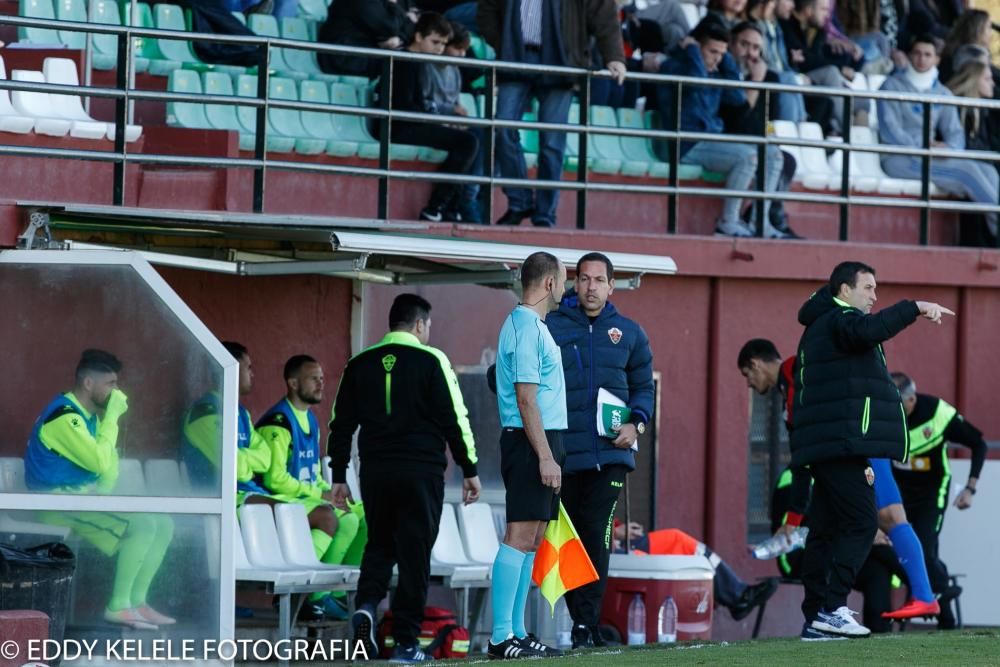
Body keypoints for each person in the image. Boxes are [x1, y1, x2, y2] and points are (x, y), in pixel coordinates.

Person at [790, 261, 953, 638]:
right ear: (844, 291)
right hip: (842, 444)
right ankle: (831, 608)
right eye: (868, 288)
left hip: (830, 443)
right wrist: (914, 307)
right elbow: (871, 328)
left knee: (826, 530)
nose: (875, 296)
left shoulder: (824, 325)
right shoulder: (839, 320)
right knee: (864, 522)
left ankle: (816, 617)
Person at [737, 337, 939, 627]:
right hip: (857, 444)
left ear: (755, 364)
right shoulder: (794, 377)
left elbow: (802, 450)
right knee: (841, 527)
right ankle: (826, 614)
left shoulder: (797, 372)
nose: (749, 384)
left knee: (888, 519)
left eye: (747, 375)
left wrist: (793, 517)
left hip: (861, 444)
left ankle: (924, 594)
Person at [328, 293, 481, 664]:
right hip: (420, 470)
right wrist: (470, 468)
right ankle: (406, 643)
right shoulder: (432, 360)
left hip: (376, 471)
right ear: (419, 324)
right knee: (415, 556)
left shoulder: (358, 364)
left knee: (379, 543)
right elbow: (454, 417)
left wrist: (338, 475)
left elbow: (340, 422)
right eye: (427, 326)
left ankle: (366, 605)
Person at [544, 252, 654, 649]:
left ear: (611, 285)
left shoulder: (629, 332)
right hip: (563, 456)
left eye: (599, 280)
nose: (591, 287)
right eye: (584, 279)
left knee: (595, 534)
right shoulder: (550, 327)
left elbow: (644, 387)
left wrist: (635, 423)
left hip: (610, 458)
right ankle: (580, 622)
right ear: (575, 284)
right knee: (569, 539)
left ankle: (585, 624)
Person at [24, 349, 175, 631]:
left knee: (163, 523)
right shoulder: (64, 415)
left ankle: (137, 602)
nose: (117, 393)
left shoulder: (90, 418)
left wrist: (103, 491)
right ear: (88, 383)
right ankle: (118, 606)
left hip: (78, 501)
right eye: (111, 384)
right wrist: (114, 417)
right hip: (54, 506)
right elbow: (98, 460)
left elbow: (107, 468)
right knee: (141, 526)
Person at [478, 0, 627, 227]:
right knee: (501, 129)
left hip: (561, 62)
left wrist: (614, 56)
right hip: (515, 57)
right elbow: (487, 10)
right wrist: (501, 44)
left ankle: (545, 215)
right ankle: (519, 203)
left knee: (552, 144)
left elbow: (603, 13)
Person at [489, 251, 568, 659]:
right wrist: (544, 456)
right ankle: (500, 636)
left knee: (533, 538)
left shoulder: (537, 327)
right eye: (565, 280)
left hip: (545, 440)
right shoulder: (524, 328)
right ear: (550, 283)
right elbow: (525, 399)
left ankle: (517, 631)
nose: (566, 288)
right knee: (519, 536)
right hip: (528, 442)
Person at [658, 18, 791, 239]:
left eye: (722, 53)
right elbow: (695, 82)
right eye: (712, 52)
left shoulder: (716, 70)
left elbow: (738, 98)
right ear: (694, 46)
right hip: (685, 144)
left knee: (773, 155)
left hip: (710, 141)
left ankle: (760, 223)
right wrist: (692, 51)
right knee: (748, 157)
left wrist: (726, 60)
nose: (717, 59)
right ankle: (727, 223)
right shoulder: (675, 66)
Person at [257, 355, 366, 621]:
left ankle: (337, 595)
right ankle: (309, 596)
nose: (320, 384)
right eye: (312, 378)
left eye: (321, 377)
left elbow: (314, 474)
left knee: (364, 515)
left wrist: (328, 491)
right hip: (279, 500)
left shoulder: (312, 420)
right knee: (346, 521)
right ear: (293, 383)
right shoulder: (279, 422)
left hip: (304, 498)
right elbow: (275, 479)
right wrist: (319, 494)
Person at [878, 34, 1000, 241]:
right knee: (967, 171)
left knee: (988, 169)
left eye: (927, 55)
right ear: (908, 56)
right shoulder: (890, 87)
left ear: (937, 60)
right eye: (917, 53)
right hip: (898, 157)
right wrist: (923, 146)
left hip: (929, 157)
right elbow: (890, 132)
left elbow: (955, 134)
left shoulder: (942, 93)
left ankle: (994, 232)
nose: (921, 59)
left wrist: (949, 149)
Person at [891, 372, 987, 629]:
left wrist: (970, 488)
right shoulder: (885, 414)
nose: (893, 411)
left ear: (911, 399)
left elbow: (978, 443)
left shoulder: (938, 412)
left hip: (932, 490)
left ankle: (940, 596)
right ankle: (944, 603)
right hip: (899, 492)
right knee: (903, 550)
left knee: (922, 543)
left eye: (898, 405)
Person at [770, 466, 907, 633]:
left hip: (832, 550)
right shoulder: (792, 476)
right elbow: (792, 532)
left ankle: (879, 635)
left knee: (876, 571)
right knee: (871, 541)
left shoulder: (835, 474)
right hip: (796, 555)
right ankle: (923, 585)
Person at [376, 12, 480, 223]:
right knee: (467, 142)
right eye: (434, 42)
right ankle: (437, 207)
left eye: (442, 44)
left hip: (413, 123)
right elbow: (403, 108)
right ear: (418, 37)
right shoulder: (403, 60)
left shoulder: (421, 61)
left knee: (471, 137)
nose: (439, 49)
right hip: (398, 126)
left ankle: (450, 207)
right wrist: (437, 120)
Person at [723, 21, 803, 238]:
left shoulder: (771, 79)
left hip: (751, 140)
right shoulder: (724, 71)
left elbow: (768, 120)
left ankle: (764, 219)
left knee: (785, 159)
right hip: (726, 140)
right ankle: (737, 220)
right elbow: (738, 122)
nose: (751, 54)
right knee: (764, 156)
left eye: (756, 48)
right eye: (744, 45)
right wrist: (756, 82)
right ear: (731, 44)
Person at [612, 522, 779, 621]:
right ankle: (737, 596)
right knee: (644, 560)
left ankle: (738, 594)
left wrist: (616, 528)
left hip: (613, 540)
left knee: (678, 539)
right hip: (600, 548)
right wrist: (613, 531)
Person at [182, 341, 272, 506]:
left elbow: (266, 459)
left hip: (248, 492)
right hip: (220, 501)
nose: (252, 374)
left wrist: (242, 459)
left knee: (319, 513)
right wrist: (249, 468)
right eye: (248, 368)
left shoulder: (242, 413)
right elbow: (234, 466)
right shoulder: (204, 413)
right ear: (232, 369)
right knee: (319, 517)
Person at [422, 21, 486, 223]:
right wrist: (451, 113)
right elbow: (425, 103)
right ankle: (462, 202)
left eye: (464, 50)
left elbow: (454, 102)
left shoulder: (455, 71)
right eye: (457, 49)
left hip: (450, 123)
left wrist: (457, 117)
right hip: (431, 123)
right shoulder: (427, 68)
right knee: (471, 140)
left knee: (484, 134)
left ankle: (465, 198)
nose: (461, 55)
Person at [780, 0, 870, 134]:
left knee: (863, 103)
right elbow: (806, 61)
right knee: (831, 72)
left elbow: (819, 58)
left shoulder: (818, 31)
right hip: (800, 78)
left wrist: (855, 55)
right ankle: (845, 131)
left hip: (818, 80)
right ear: (808, 10)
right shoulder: (788, 25)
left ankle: (858, 148)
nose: (827, 15)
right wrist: (839, 68)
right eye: (823, 10)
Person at [317, 0, 417, 77]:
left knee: (406, 60)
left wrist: (399, 38)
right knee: (402, 66)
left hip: (361, 51)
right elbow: (389, 27)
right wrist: (393, 5)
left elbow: (410, 28)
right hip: (341, 56)